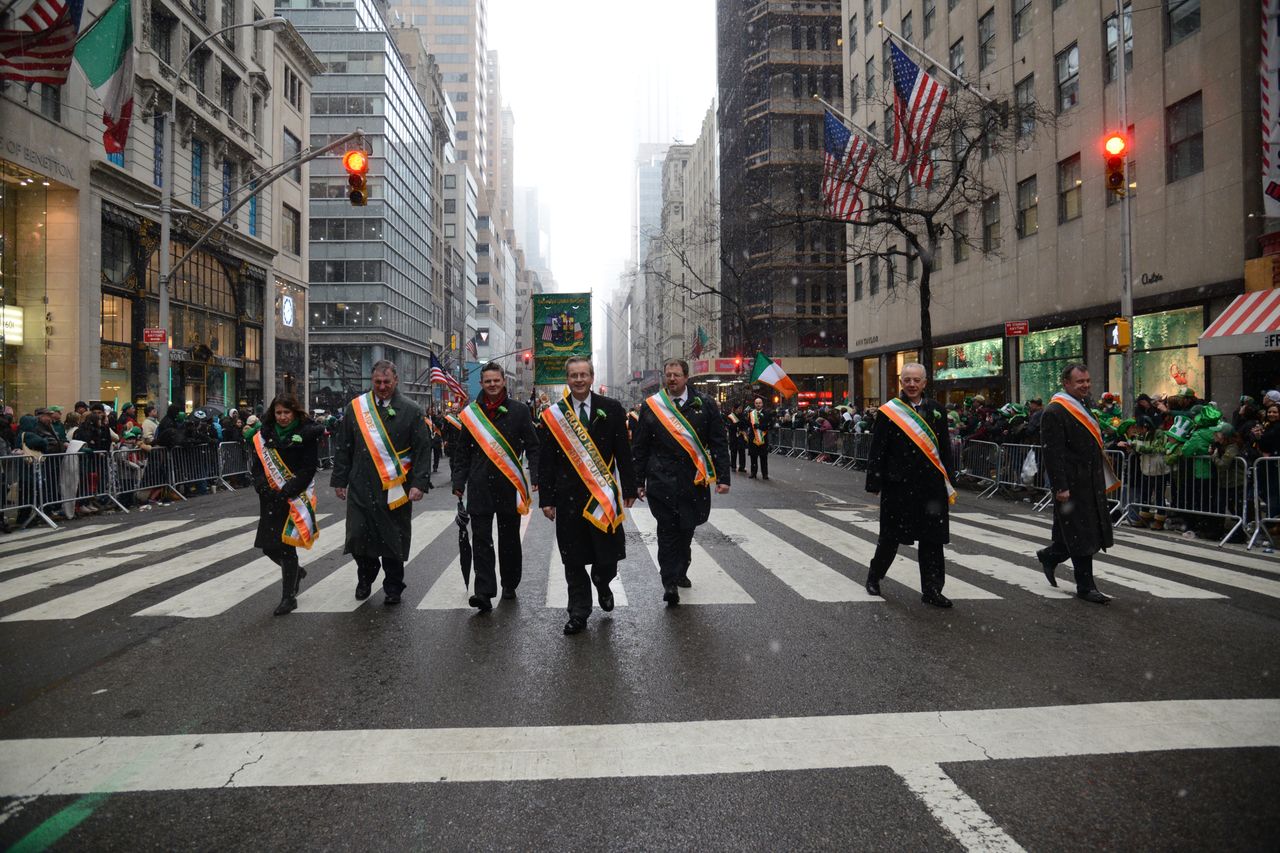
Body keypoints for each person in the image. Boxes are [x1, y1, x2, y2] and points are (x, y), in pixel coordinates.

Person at [537, 356, 637, 635]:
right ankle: (578, 612)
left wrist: (630, 487)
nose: (579, 380)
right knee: (573, 559)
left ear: (592, 378)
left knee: (608, 557)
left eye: (583, 375)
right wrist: (547, 499)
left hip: (602, 497)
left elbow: (623, 452)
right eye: (574, 375)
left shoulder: (612, 408)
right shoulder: (554, 415)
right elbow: (546, 461)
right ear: (567, 379)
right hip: (567, 497)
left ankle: (603, 582)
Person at [331, 360, 434, 605]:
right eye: (377, 382)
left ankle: (393, 586)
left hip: (396, 486)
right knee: (358, 535)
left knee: (393, 538)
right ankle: (366, 575)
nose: (382, 386)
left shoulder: (411, 409)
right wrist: (340, 480)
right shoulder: (356, 408)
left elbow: (422, 449)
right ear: (372, 381)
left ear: (395, 380)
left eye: (387, 382)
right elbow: (344, 446)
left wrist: (419, 483)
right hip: (360, 483)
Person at [632, 358, 731, 606]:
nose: (672, 379)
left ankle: (681, 569)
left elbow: (718, 442)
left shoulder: (705, 404)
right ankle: (669, 582)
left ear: (686, 377)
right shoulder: (652, 406)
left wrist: (723, 477)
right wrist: (638, 481)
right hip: (661, 479)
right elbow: (640, 446)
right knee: (666, 530)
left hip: (693, 479)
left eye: (676, 375)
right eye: (668, 375)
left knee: (686, 529)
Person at [862, 363, 956, 608]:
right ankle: (874, 577)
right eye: (907, 380)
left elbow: (944, 448)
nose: (912, 384)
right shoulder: (889, 411)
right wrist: (874, 481)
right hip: (899, 486)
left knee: (932, 540)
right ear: (901, 382)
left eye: (916, 380)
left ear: (924, 383)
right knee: (890, 537)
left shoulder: (937, 410)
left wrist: (950, 480)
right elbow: (878, 449)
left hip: (931, 486)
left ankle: (932, 590)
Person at [451, 362, 539, 612]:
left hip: (508, 484)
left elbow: (533, 445)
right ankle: (484, 591)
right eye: (488, 381)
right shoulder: (471, 414)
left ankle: (509, 583)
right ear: (481, 383)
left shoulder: (520, 411)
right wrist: (459, 481)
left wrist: (535, 475)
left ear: (503, 382)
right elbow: (462, 451)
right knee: (481, 539)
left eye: (496, 380)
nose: (492, 384)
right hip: (479, 485)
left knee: (509, 538)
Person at [1036, 363, 1116, 604]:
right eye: (1080, 381)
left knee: (1076, 532)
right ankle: (1085, 586)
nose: (1086, 385)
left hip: (1090, 481)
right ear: (1066, 383)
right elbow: (1052, 453)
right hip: (1072, 484)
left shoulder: (1084, 405)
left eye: (1087, 381)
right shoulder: (1055, 411)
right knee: (1083, 534)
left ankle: (1050, 556)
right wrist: (1060, 486)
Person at [248, 395, 323, 615]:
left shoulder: (306, 434)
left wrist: (288, 490)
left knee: (286, 547)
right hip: (270, 497)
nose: (282, 417)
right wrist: (262, 487)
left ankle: (288, 598)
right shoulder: (264, 435)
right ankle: (296, 572)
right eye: (278, 412)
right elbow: (257, 466)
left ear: (295, 412)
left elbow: (308, 469)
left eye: (286, 412)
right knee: (268, 547)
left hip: (292, 496)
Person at [747, 395, 773, 479]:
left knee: (763, 457)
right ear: (754, 404)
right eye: (756, 403)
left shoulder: (767, 413)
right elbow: (748, 424)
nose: (758, 404)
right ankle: (753, 473)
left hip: (763, 438)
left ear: (762, 404)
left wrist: (760, 426)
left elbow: (769, 425)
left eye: (759, 403)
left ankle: (764, 474)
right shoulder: (751, 414)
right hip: (753, 438)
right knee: (753, 457)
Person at [727, 403, 748, 473]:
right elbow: (730, 426)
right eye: (739, 408)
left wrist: (742, 424)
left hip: (741, 436)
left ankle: (742, 467)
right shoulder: (731, 416)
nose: (740, 410)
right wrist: (737, 425)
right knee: (733, 451)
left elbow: (745, 425)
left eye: (741, 408)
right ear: (735, 409)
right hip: (733, 436)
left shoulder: (743, 416)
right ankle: (733, 466)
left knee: (742, 452)